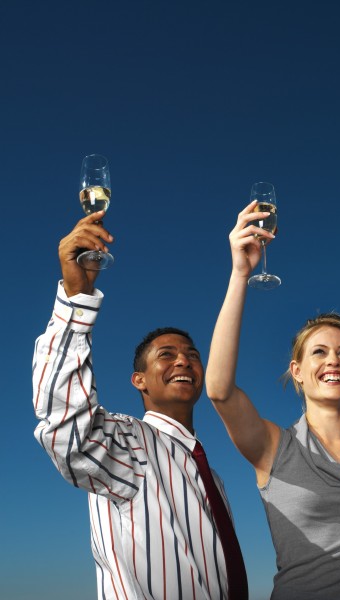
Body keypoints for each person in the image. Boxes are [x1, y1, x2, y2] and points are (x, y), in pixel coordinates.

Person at [204, 201, 340, 600]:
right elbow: (219, 390)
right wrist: (240, 274)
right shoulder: (274, 447)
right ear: (298, 371)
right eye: (319, 352)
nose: (333, 361)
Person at [32, 212, 248, 600]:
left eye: (192, 355)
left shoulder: (213, 479)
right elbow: (66, 430)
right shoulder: (129, 444)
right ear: (139, 380)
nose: (183, 361)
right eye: (166, 355)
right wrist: (76, 301)